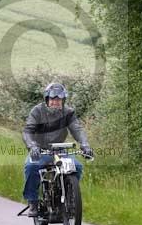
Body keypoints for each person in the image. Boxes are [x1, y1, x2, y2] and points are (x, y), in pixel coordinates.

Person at [22, 82, 93, 217]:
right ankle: (33, 202)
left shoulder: (69, 112)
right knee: (31, 167)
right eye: (53, 99)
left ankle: (69, 198)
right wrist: (32, 146)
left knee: (76, 166)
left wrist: (85, 144)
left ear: (63, 100)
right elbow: (27, 131)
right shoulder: (37, 111)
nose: (56, 102)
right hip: (40, 150)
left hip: (59, 150)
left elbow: (77, 130)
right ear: (47, 99)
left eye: (59, 99)